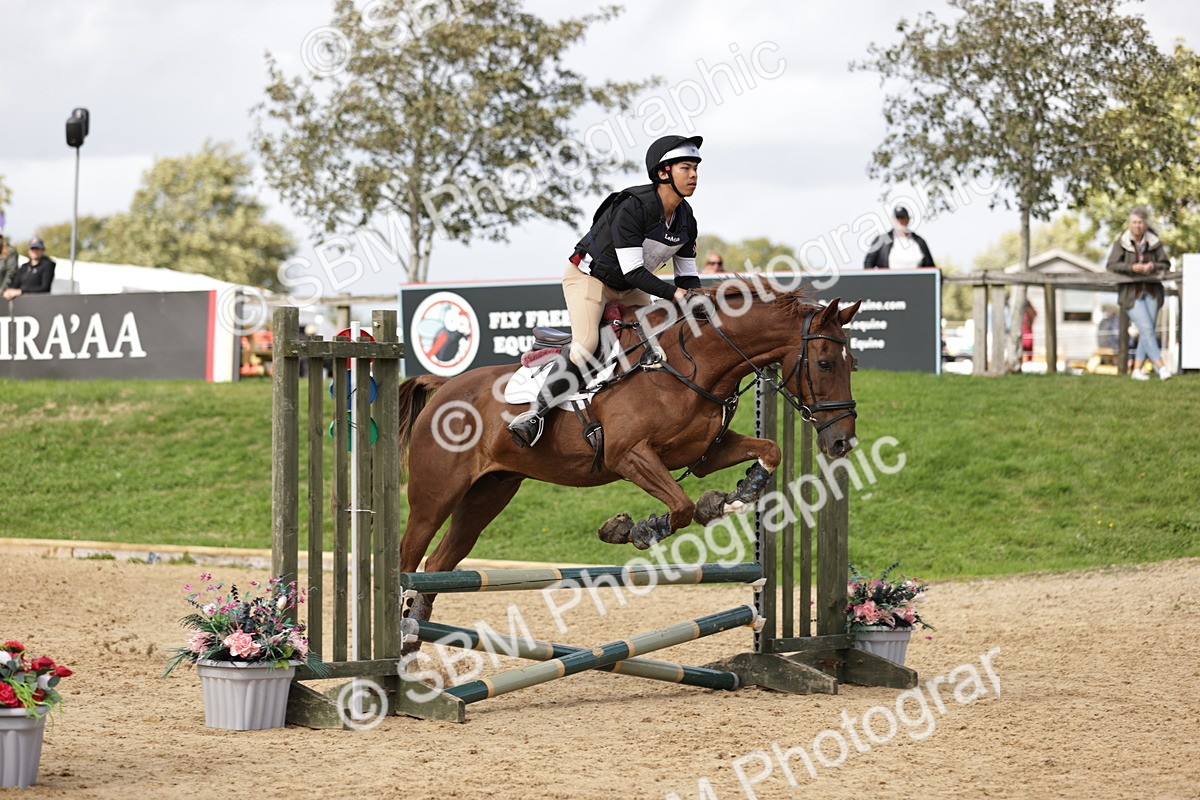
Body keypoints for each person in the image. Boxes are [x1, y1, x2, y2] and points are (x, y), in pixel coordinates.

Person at [508, 134, 705, 447]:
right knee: (587, 345)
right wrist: (678, 296)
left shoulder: (686, 219)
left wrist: (700, 301)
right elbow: (635, 271)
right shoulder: (633, 207)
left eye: (695, 168)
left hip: (630, 287)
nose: (693, 175)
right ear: (663, 173)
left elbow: (688, 278)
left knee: (656, 339)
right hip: (589, 279)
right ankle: (535, 414)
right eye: (686, 168)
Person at [1106, 206, 1172, 380]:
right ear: (1130, 224)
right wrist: (1131, 267)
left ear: (1145, 224)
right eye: (1134, 222)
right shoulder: (1121, 243)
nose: (1137, 225)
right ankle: (1162, 368)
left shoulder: (1154, 242)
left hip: (1152, 292)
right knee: (1147, 329)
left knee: (1147, 331)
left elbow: (1166, 264)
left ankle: (1137, 370)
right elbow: (1111, 265)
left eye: (1140, 222)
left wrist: (1153, 266)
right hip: (1130, 294)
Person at [864, 206, 935, 269]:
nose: (900, 221)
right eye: (897, 218)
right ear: (892, 220)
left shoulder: (920, 242)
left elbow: (931, 267)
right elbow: (868, 263)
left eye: (902, 218)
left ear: (908, 219)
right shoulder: (882, 240)